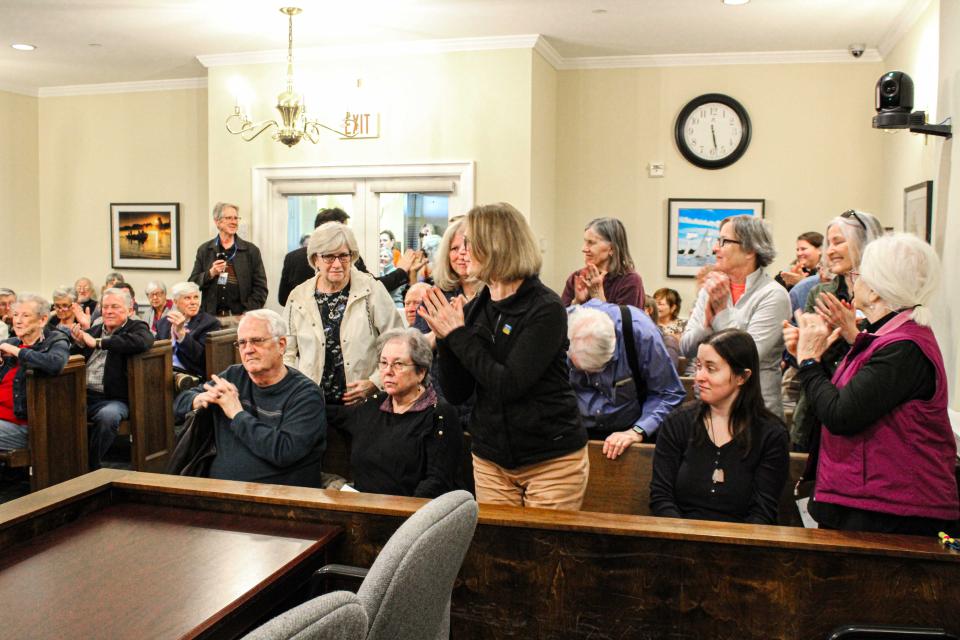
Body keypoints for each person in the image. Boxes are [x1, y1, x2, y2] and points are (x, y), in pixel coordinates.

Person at [420, 202, 589, 510]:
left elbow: (508, 384)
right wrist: (445, 338)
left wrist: (457, 335)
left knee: (540, 541)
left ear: (496, 246)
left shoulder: (546, 308)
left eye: (470, 243)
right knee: (499, 541)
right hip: (491, 460)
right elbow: (457, 393)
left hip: (550, 460)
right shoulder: (476, 308)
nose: (464, 252)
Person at [788, 234, 959, 535]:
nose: (854, 280)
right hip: (869, 500)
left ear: (877, 291)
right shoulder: (887, 339)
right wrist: (816, 356)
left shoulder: (904, 348)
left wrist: (810, 361)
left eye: (859, 274)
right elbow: (847, 395)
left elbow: (840, 414)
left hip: (888, 510)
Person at [650, 329, 789, 524]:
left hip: (742, 539)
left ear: (742, 377)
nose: (699, 377)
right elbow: (661, 497)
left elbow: (762, 512)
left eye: (711, 368)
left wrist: (729, 542)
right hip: (680, 535)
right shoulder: (678, 422)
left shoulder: (770, 434)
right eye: (698, 366)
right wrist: (684, 535)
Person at [175, 310, 326, 487]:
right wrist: (199, 399)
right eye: (242, 343)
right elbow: (178, 405)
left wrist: (237, 414)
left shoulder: (306, 394)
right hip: (219, 492)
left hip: (279, 496)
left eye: (257, 341)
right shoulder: (233, 376)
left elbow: (284, 452)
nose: (248, 350)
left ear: (281, 345)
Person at [283, 222, 404, 424]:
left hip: (364, 404)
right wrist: (293, 389)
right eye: (329, 257)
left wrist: (375, 382)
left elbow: (398, 342)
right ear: (315, 259)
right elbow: (286, 350)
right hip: (311, 405)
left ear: (352, 256)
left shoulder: (371, 289)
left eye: (343, 256)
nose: (337, 264)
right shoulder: (299, 296)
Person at [788, 210, 884, 451]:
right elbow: (806, 359)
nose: (829, 251)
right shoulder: (820, 294)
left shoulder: (886, 299)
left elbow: (888, 360)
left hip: (863, 420)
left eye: (838, 242)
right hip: (815, 412)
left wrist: (852, 334)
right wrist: (798, 346)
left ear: (865, 242)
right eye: (828, 243)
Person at [680, 215, 791, 417]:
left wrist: (721, 312)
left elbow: (747, 357)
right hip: (709, 409)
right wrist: (706, 325)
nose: (715, 248)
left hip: (755, 413)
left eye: (724, 241)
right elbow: (686, 348)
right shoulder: (711, 289)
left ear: (750, 250)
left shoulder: (773, 295)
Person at [340, 329, 462, 497]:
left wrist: (401, 511)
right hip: (362, 505)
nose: (388, 371)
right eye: (383, 363)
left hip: (413, 509)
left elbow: (437, 482)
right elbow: (336, 415)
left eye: (398, 364)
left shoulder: (440, 414)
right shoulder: (373, 404)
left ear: (421, 372)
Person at [566, 304, 685, 459]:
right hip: (576, 430)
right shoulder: (558, 327)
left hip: (630, 429)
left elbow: (669, 393)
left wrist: (637, 431)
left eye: (598, 369)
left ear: (613, 347)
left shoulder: (642, 334)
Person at [70, 287, 155, 470]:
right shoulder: (93, 330)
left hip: (114, 398)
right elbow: (72, 357)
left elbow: (143, 341)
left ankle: (89, 466)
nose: (108, 311)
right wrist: (78, 343)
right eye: (105, 307)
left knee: (108, 416)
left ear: (129, 310)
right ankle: (65, 464)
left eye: (115, 307)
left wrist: (100, 343)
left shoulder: (136, 327)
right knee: (55, 409)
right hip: (83, 395)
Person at [277, 208, 422, 306]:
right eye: (342, 230)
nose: (337, 263)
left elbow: (283, 299)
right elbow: (372, 287)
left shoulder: (292, 257)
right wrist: (401, 271)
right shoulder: (346, 258)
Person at [0, 294, 70, 451]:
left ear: (42, 320)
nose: (18, 321)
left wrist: (18, 352)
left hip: (23, 425)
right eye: (15, 315)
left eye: (25, 316)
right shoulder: (10, 342)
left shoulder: (56, 341)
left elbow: (55, 364)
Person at [189, 202, 268, 320]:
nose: (234, 222)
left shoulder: (251, 251)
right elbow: (191, 285)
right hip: (211, 318)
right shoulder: (205, 250)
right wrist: (210, 273)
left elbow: (261, 289)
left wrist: (247, 314)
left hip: (241, 318)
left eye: (236, 218)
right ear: (217, 221)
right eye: (229, 218)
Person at [560, 217, 645, 308]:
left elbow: (627, 317)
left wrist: (598, 299)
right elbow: (559, 316)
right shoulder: (577, 277)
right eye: (585, 242)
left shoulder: (629, 281)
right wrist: (577, 302)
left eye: (591, 242)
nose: (584, 249)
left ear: (612, 248)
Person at [156, 282, 222, 392]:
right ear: (175, 302)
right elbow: (157, 353)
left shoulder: (209, 323)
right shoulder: (163, 323)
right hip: (164, 372)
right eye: (187, 298)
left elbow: (201, 357)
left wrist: (181, 334)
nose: (193, 302)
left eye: (196, 297)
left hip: (191, 376)